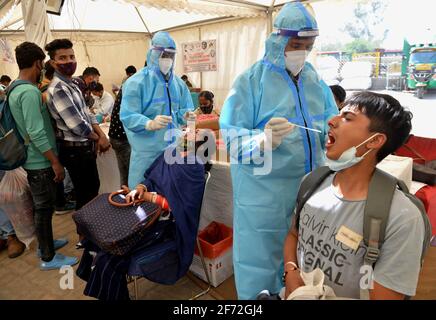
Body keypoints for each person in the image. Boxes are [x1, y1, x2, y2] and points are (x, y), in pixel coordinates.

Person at [219, 2, 338, 299]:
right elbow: (232, 135)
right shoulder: (250, 81)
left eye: (308, 45)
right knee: (260, 261)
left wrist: (335, 141)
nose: (302, 51)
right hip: (264, 195)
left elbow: (331, 121)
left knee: (299, 261)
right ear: (278, 40)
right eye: (296, 44)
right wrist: (261, 140)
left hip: (308, 190)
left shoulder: (313, 79)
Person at [283, 91, 424, 299]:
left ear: (374, 141)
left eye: (347, 118)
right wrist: (291, 271)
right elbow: (294, 235)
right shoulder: (312, 183)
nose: (332, 121)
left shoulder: (402, 218)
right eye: (339, 113)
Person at [8, 42, 77, 269]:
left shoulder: (14, 87)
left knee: (42, 208)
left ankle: (46, 244)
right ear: (38, 63)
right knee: (44, 208)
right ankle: (47, 256)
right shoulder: (28, 92)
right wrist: (54, 161)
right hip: (39, 161)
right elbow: (35, 131)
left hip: (33, 158)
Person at [120, 31, 194, 189]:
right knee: (143, 200)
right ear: (153, 53)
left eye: (171, 55)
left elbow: (182, 112)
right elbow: (127, 115)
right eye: (163, 54)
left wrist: (186, 115)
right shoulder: (136, 82)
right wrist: (148, 123)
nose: (167, 59)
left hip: (173, 152)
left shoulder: (179, 84)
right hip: (147, 154)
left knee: (169, 197)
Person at [45, 39, 111, 211]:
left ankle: (90, 233)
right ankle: (85, 235)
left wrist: (102, 136)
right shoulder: (58, 88)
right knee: (85, 196)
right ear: (53, 62)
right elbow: (78, 126)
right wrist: (98, 138)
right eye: (63, 57)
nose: (69, 61)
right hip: (75, 150)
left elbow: (88, 113)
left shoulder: (73, 84)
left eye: (72, 56)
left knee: (92, 190)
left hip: (85, 147)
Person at [38, 61, 76, 215]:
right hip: (58, 136)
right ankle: (61, 203)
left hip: (53, 136)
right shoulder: (51, 89)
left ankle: (60, 201)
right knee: (59, 170)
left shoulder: (41, 88)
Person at [107, 66, 137, 187]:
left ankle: (125, 200)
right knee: (133, 176)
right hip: (122, 138)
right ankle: (129, 202)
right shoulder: (134, 86)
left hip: (118, 137)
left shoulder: (129, 84)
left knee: (126, 175)